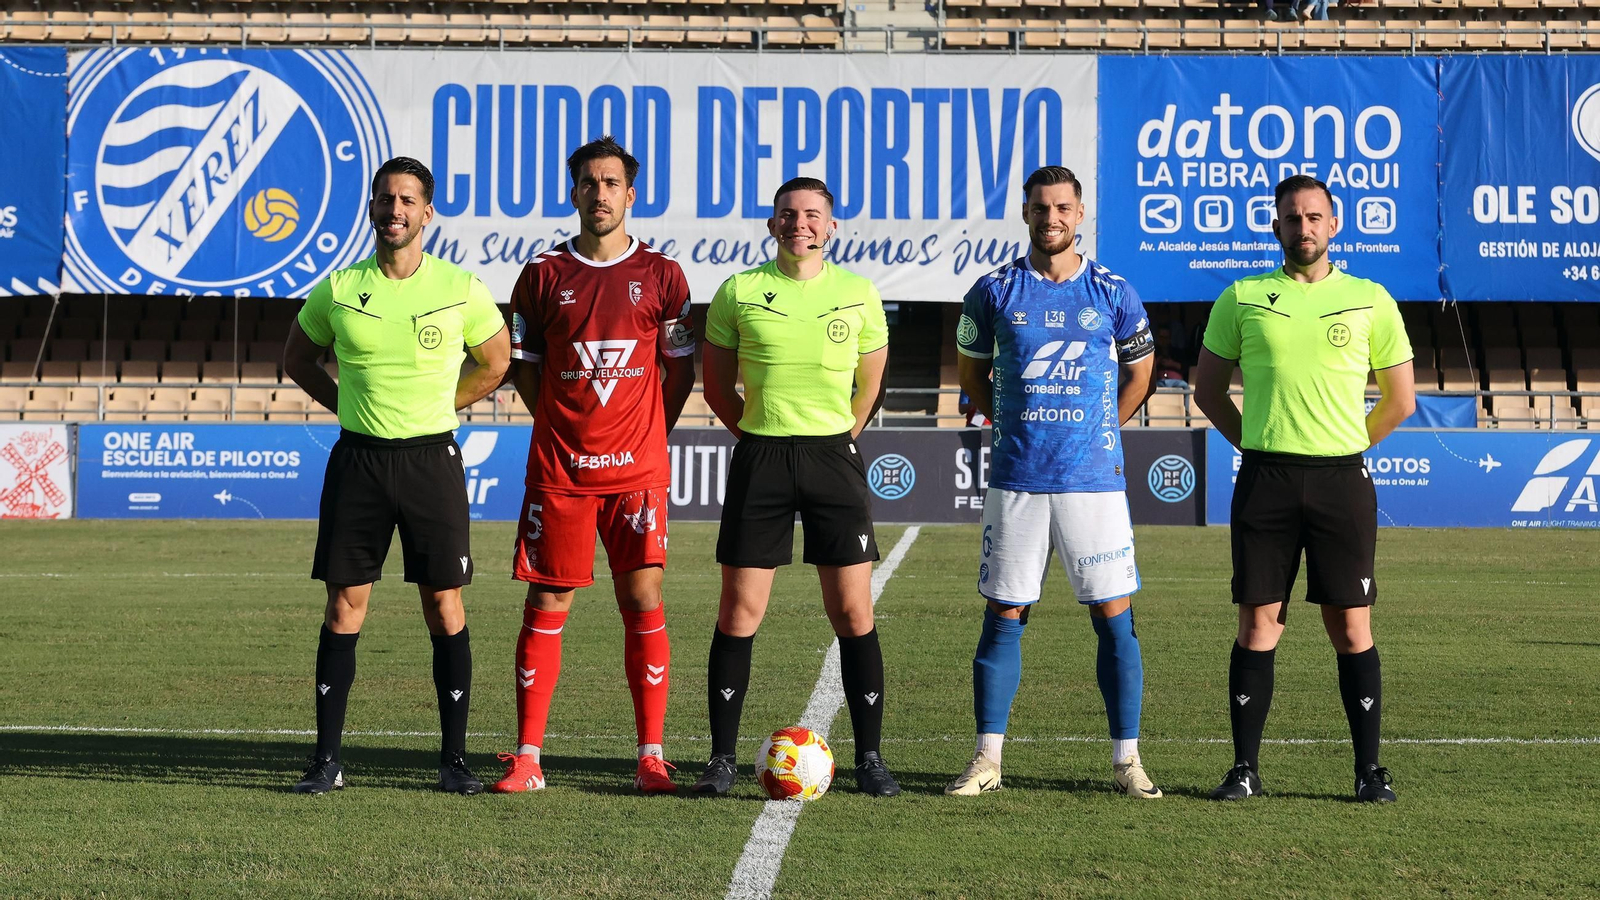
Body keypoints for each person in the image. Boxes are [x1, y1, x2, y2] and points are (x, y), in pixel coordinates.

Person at [284, 156, 510, 795]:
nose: (395, 210)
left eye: (408, 200)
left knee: (444, 604)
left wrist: (442, 406)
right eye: (386, 199)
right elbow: (297, 359)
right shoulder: (339, 288)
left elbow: (496, 362)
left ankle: (453, 761)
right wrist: (345, 407)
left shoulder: (461, 287)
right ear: (372, 208)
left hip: (431, 462)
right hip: (358, 462)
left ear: (427, 212)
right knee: (344, 605)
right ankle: (327, 761)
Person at [1192, 174, 1415, 803]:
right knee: (1258, 623)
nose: (1304, 227)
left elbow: (1400, 400)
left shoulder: (1370, 298)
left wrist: (1346, 445)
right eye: (1292, 217)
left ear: (1334, 224)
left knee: (1351, 626)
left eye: (1315, 216)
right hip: (1265, 478)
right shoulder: (1242, 296)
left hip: (1342, 479)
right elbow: (1208, 391)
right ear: (1276, 227)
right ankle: (1244, 770)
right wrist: (1255, 443)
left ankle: (1369, 771)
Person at [944, 166, 1161, 800]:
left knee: (1114, 616)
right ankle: (987, 758)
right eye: (1041, 207)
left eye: (1062, 207)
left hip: (1094, 482)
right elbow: (971, 375)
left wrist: (1101, 430)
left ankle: (1127, 761)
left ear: (1080, 213)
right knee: (1004, 613)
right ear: (1026, 213)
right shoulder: (992, 291)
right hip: (1018, 477)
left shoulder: (1113, 291)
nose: (1051, 218)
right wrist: (1012, 424)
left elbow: (1141, 374)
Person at [494, 137, 696, 795]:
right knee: (547, 599)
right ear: (574, 192)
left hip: (637, 473)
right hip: (561, 474)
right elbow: (525, 370)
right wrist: (562, 426)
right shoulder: (542, 275)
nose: (600, 193)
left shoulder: (663, 275)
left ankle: (651, 758)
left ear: (630, 195)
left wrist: (648, 434)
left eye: (611, 183)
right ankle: (528, 759)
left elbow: (679, 371)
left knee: (642, 598)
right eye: (589, 182)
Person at [692, 177, 898, 797]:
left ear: (831, 227)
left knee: (853, 612)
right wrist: (762, 437)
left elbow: (870, 384)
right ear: (772, 223)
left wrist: (836, 439)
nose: (799, 223)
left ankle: (870, 759)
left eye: (812, 214)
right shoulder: (739, 291)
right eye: (787, 213)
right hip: (761, 459)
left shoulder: (858, 293)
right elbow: (718, 385)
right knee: (739, 612)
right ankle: (721, 761)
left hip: (833, 459)